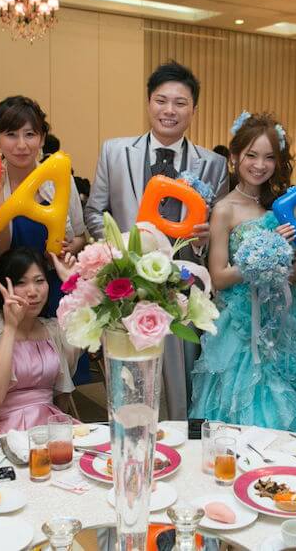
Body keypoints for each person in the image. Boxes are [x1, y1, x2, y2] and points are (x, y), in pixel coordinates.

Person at [84, 60, 229, 419]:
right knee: (131, 388)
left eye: (180, 103)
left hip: (184, 293)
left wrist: (204, 239)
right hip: (126, 292)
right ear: (149, 102)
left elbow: (219, 231)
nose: (169, 110)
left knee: (183, 390)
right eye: (161, 100)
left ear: (194, 109)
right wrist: (124, 254)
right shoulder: (115, 152)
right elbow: (94, 212)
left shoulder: (212, 164)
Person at [190, 112, 296, 436]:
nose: (260, 165)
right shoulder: (224, 209)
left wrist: (286, 266)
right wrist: (261, 259)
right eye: (252, 155)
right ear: (235, 157)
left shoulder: (287, 204)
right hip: (242, 321)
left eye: (269, 157)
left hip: (288, 314)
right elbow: (218, 277)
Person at [0, 96, 86, 314]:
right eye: (11, 135)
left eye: (30, 134)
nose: (21, 145)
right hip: (10, 290)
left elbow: (80, 236)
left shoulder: (60, 180)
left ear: (42, 139)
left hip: (54, 286)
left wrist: (70, 248)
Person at [0, 247, 80, 437]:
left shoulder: (53, 329)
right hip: (6, 433)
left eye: (39, 281)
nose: (33, 291)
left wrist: (74, 286)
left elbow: (97, 330)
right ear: (3, 287)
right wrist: (10, 327)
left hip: (53, 426)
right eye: (21, 283)